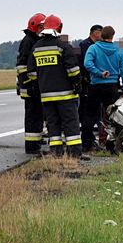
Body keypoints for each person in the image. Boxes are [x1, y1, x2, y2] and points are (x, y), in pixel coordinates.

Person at [27, 14, 82, 157]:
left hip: (46, 96)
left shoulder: (36, 48)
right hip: (65, 95)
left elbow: (31, 72)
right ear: (59, 27)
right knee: (70, 123)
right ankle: (74, 154)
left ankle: (56, 153)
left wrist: (37, 85)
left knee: (53, 124)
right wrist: (77, 84)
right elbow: (73, 70)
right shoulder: (63, 46)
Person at [84, 25, 123, 148]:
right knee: (112, 116)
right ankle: (111, 144)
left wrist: (98, 72)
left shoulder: (93, 48)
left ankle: (86, 143)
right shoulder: (119, 50)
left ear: (101, 35)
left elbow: (87, 64)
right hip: (111, 87)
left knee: (90, 114)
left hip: (95, 86)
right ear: (112, 36)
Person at [16, 13, 45, 154]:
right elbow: (22, 66)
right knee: (33, 117)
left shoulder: (35, 40)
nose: (43, 29)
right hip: (30, 87)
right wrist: (30, 84)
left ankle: (36, 144)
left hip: (34, 86)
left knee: (38, 117)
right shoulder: (28, 41)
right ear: (34, 27)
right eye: (41, 26)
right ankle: (32, 147)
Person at [77, 24, 103, 151]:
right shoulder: (84, 45)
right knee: (86, 112)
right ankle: (88, 139)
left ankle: (91, 138)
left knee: (96, 112)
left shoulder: (98, 45)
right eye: (100, 32)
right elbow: (82, 63)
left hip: (95, 82)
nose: (101, 35)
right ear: (94, 32)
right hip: (86, 83)